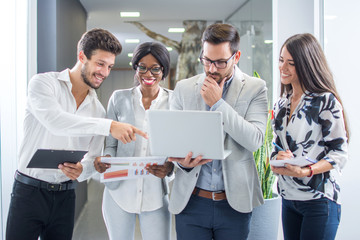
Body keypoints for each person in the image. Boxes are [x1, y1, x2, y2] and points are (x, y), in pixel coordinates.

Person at [6, 28, 147, 240]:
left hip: (65, 195)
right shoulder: (44, 84)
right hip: (29, 192)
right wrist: (109, 126)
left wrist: (83, 169)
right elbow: (56, 122)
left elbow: (92, 159)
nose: (105, 73)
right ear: (82, 56)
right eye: (100, 64)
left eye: (109, 66)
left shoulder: (97, 110)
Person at [168, 23, 268, 240]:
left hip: (234, 204)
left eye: (221, 62)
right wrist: (182, 163)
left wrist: (218, 104)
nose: (212, 69)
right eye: (207, 60)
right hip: (191, 202)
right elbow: (172, 142)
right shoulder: (184, 89)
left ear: (236, 56)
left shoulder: (255, 88)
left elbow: (255, 140)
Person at [271, 33, 348, 240]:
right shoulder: (281, 104)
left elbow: (339, 154)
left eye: (291, 63)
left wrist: (307, 171)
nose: (282, 68)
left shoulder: (325, 101)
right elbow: (276, 147)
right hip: (288, 198)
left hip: (319, 201)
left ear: (306, 64)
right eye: (281, 60)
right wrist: (276, 162)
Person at [94, 42, 174, 240]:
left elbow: (179, 147)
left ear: (163, 70)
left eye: (155, 68)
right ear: (135, 69)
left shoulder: (175, 102)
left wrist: (170, 168)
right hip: (119, 192)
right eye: (142, 67)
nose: (149, 74)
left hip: (156, 194)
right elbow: (111, 145)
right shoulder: (118, 98)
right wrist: (106, 160)